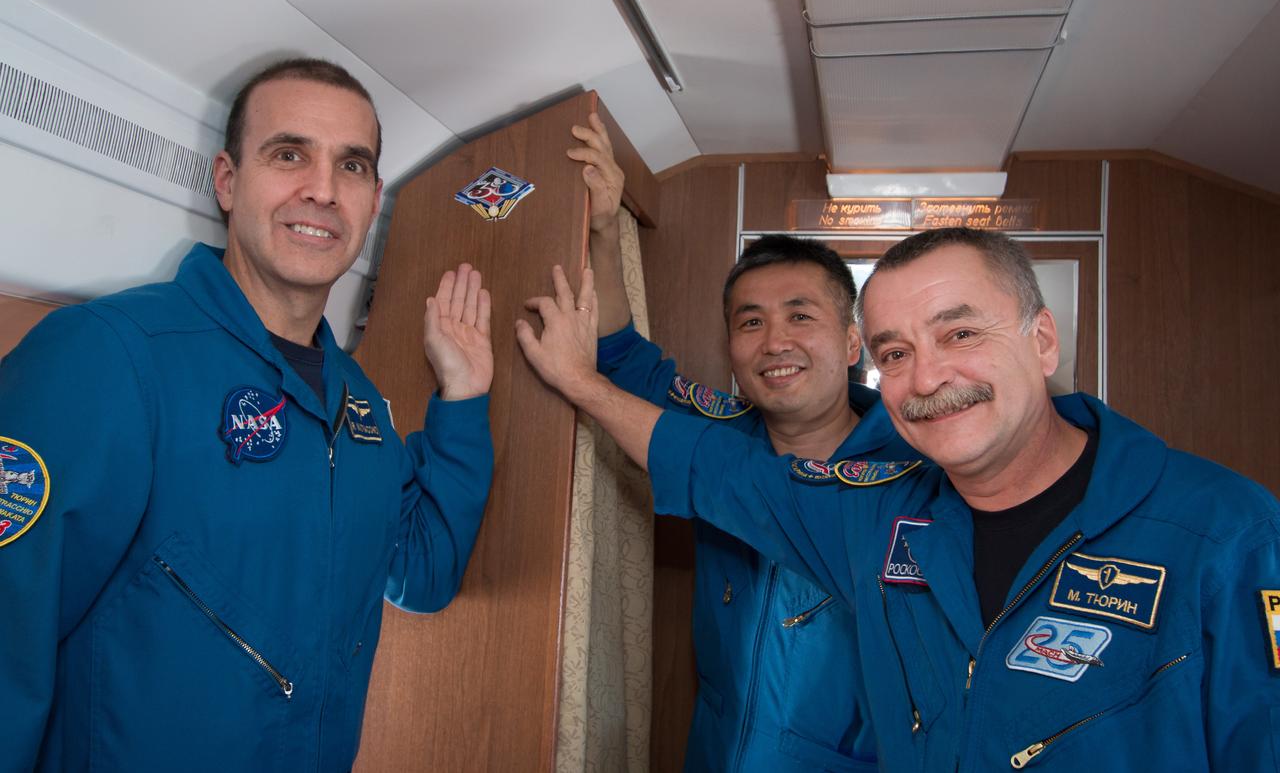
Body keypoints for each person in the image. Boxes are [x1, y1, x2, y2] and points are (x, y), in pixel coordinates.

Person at [517, 228, 1280, 771]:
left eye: (960, 334)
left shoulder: (1226, 532)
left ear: (1043, 340)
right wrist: (581, 384)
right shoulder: (878, 512)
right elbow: (715, 465)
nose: (927, 376)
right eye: (897, 353)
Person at [0, 58, 495, 773]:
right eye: (290, 154)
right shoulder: (110, 356)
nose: (323, 189)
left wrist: (463, 396)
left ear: (374, 197)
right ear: (227, 180)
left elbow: (422, 572)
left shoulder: (360, 408)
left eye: (351, 166)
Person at [559, 117, 919, 771]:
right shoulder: (720, 428)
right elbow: (626, 364)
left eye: (801, 316)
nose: (774, 342)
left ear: (850, 342)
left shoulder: (915, 472)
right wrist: (605, 228)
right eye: (750, 322)